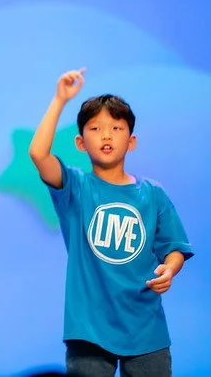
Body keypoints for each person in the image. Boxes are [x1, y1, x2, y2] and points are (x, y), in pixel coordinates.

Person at [28, 68, 193, 377]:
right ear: (80, 142)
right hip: (88, 329)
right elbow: (38, 153)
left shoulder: (153, 194)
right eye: (95, 128)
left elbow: (174, 247)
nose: (106, 135)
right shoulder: (75, 187)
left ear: (131, 141)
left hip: (146, 329)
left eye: (116, 128)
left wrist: (170, 269)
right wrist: (60, 99)